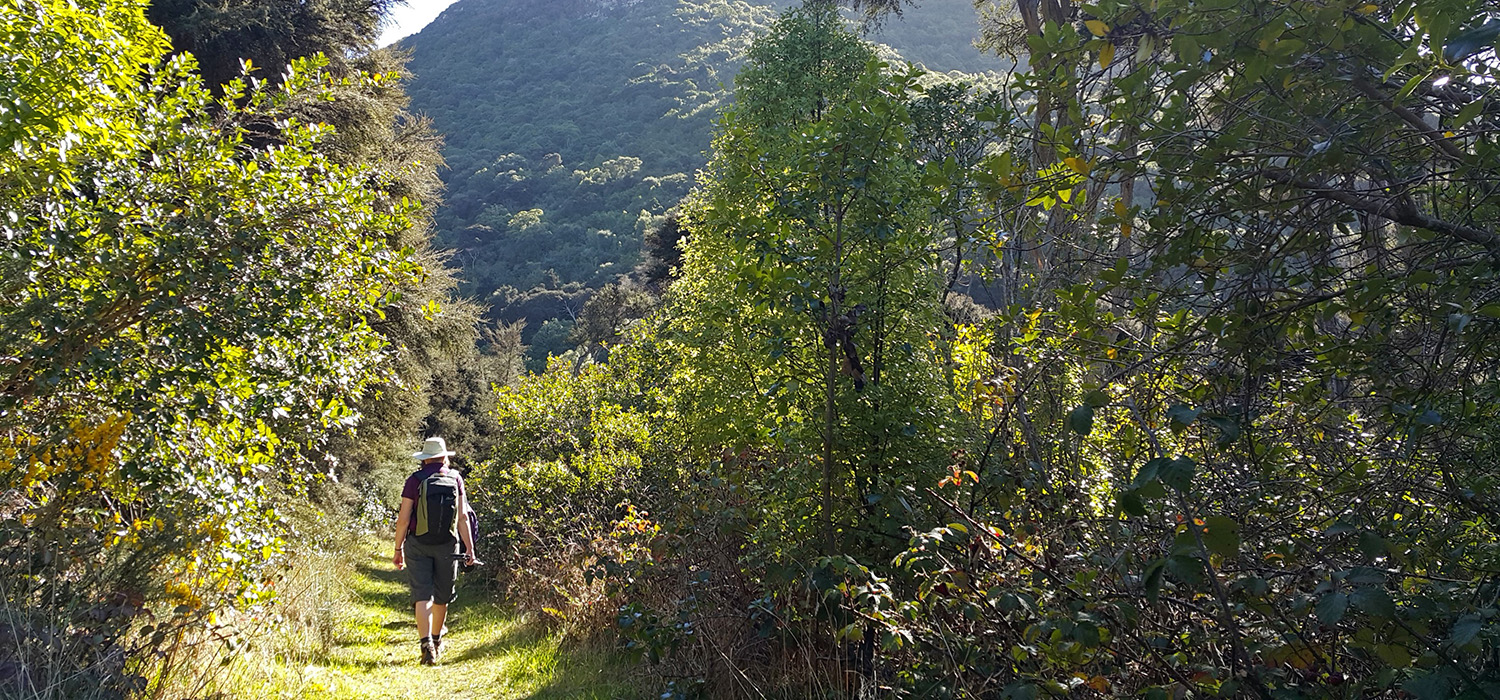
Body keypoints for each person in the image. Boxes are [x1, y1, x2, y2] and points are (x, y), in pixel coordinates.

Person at [394, 436, 476, 665]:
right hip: (448, 545)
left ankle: (425, 644)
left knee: (422, 594)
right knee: (442, 595)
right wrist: (470, 548)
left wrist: (398, 548)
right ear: (444, 457)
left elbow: (403, 519)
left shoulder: (414, 480)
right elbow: (462, 517)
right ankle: (437, 641)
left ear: (425, 459)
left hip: (417, 543)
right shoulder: (456, 478)